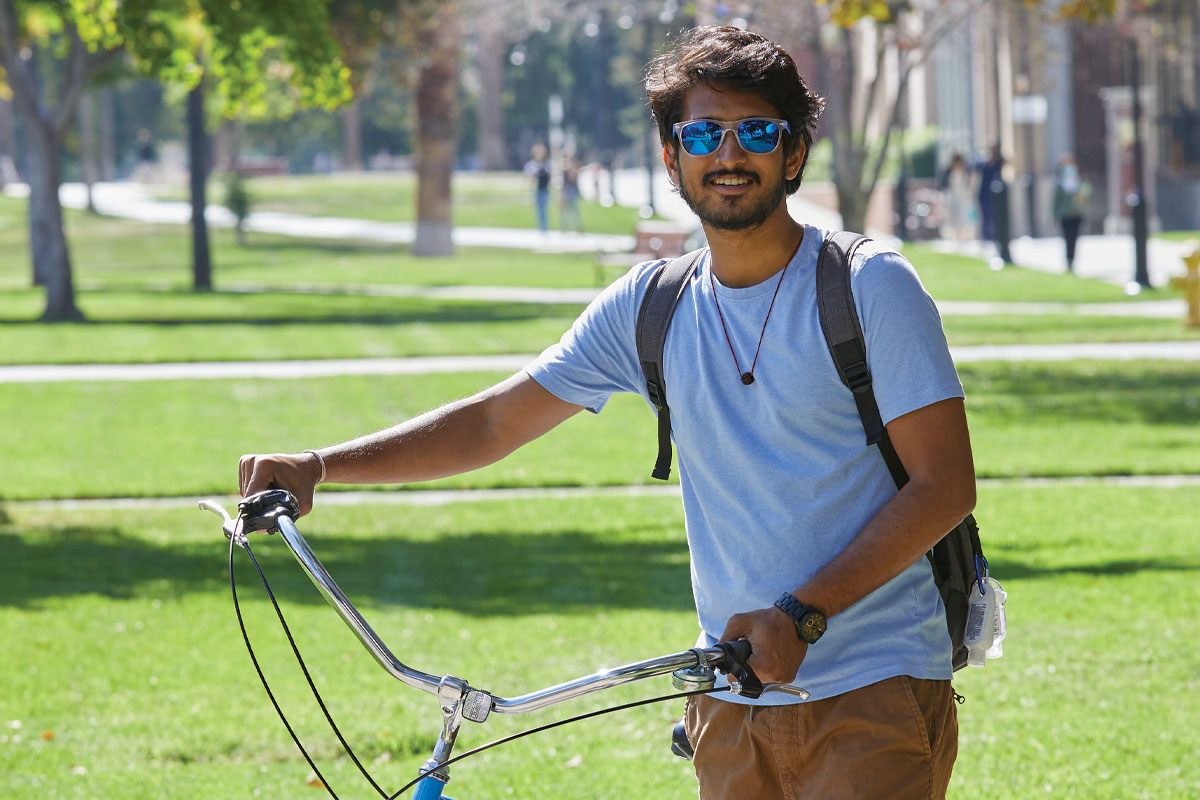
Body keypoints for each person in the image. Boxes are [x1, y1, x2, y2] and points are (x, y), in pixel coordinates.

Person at [240, 26, 974, 800]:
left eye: (757, 132)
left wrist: (802, 614)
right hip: (728, 701)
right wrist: (321, 466)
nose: (730, 155)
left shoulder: (868, 287)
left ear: (793, 153)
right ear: (671, 158)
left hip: (871, 688)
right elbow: (494, 422)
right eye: (703, 134)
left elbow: (943, 485)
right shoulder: (650, 307)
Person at [1052, 153, 1091, 273]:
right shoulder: (1060, 183)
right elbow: (1056, 201)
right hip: (1065, 215)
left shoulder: (1080, 181)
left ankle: (1072, 259)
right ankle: (1068, 260)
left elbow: (1085, 195)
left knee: (1074, 238)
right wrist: (1054, 216)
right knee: (1067, 237)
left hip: (1077, 215)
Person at [940, 153, 977, 245]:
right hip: (953, 198)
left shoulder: (966, 172)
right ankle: (956, 237)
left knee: (964, 217)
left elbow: (969, 185)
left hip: (963, 198)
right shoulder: (949, 172)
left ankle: (964, 237)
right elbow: (945, 185)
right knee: (953, 217)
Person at [524, 143, 552, 232]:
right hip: (537, 189)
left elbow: (551, 176)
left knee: (544, 208)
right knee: (539, 209)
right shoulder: (531, 165)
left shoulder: (547, 164)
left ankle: (545, 227)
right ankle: (541, 227)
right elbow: (528, 176)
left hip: (545, 189)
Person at [560, 155, 582, 232]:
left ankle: (577, 225)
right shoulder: (565, 170)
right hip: (566, 190)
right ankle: (564, 226)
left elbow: (574, 179)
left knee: (574, 209)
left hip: (572, 190)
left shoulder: (573, 169)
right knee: (564, 210)